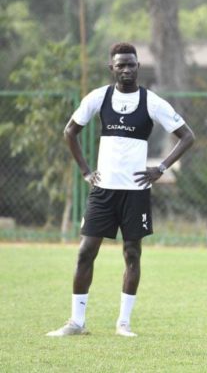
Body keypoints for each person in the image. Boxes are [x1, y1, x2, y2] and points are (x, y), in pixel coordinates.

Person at [47, 42, 195, 337]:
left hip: (136, 192)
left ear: (139, 66)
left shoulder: (151, 101)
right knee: (85, 252)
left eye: (131, 64)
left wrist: (161, 168)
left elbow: (187, 136)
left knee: (132, 254)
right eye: (120, 65)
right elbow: (70, 131)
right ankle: (76, 322)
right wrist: (86, 172)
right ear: (111, 68)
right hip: (103, 191)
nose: (126, 69)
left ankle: (123, 323)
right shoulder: (98, 98)